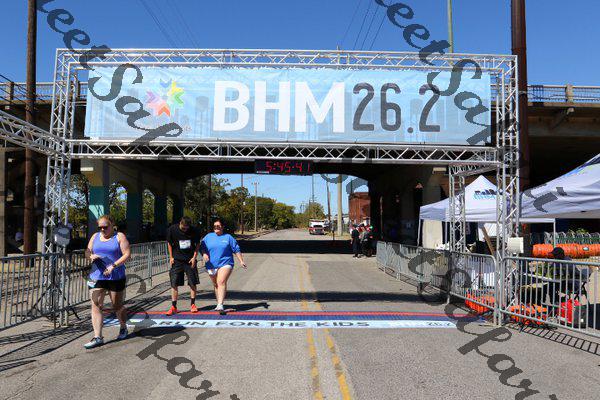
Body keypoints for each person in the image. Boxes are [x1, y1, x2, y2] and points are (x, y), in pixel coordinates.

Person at [84, 215, 131, 349]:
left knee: (117, 305)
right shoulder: (95, 236)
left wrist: (113, 266)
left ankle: (123, 327)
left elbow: (127, 254)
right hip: (97, 276)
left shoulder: (119, 237)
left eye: (105, 227)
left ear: (112, 225)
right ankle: (98, 337)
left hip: (115, 276)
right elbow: (87, 251)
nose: (103, 229)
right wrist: (91, 256)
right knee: (96, 305)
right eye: (100, 227)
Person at [201, 219, 247, 311]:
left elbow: (236, 249)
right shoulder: (208, 237)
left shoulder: (228, 237)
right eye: (214, 226)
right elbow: (202, 247)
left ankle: (220, 304)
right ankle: (218, 302)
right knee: (216, 284)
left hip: (226, 263)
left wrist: (241, 261)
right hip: (211, 264)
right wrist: (204, 254)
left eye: (218, 226)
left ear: (222, 227)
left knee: (221, 281)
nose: (216, 228)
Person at [165, 216, 201, 315]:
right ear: (180, 223)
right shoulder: (172, 229)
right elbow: (169, 243)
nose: (185, 230)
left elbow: (197, 244)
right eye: (183, 228)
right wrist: (171, 257)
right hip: (177, 260)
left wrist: (194, 257)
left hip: (190, 260)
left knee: (192, 282)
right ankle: (173, 306)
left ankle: (193, 304)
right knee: (174, 283)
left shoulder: (194, 231)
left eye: (186, 228)